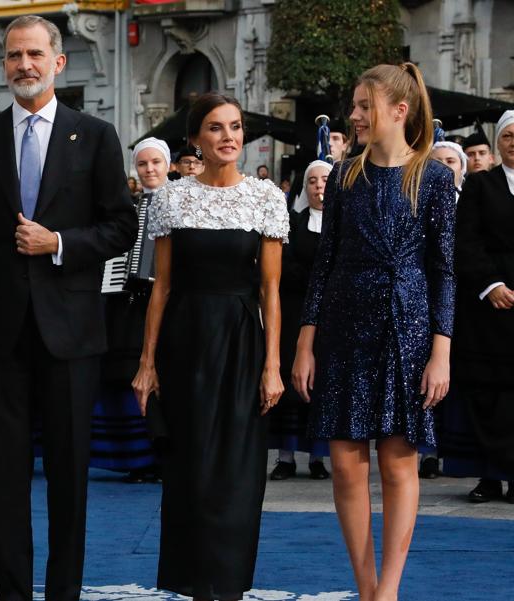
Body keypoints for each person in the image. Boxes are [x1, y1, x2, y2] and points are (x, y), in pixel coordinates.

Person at [0, 15, 137, 601]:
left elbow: (122, 226)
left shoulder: (96, 135)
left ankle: (62, 595)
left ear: (59, 62)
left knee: (68, 479)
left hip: (72, 336)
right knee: (5, 482)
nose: (23, 65)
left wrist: (58, 243)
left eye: (33, 54)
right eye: (12, 56)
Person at [292, 63, 455, 601]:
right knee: (343, 465)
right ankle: (365, 590)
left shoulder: (432, 177)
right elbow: (324, 263)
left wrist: (441, 352)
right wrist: (305, 343)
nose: (355, 116)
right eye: (356, 106)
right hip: (342, 326)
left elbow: (444, 269)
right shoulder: (344, 176)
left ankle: (388, 591)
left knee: (398, 461)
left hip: (406, 327)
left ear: (399, 111)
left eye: (365, 106)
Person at [132, 93, 287, 601]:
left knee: (239, 473)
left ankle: (230, 587)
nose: (229, 137)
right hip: (185, 344)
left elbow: (271, 291)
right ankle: (196, 585)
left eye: (236, 127)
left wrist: (273, 366)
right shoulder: (172, 197)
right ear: (196, 139)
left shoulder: (265, 198)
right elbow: (162, 286)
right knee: (190, 469)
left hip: (243, 341)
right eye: (216, 128)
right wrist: (147, 363)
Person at [440, 109, 514, 503]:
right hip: (489, 306)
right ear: (498, 144)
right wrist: (492, 284)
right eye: (507, 137)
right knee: (486, 393)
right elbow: (465, 240)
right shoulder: (480, 185)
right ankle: (488, 476)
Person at [92, 137, 171, 483]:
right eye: (143, 164)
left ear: (167, 165)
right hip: (129, 305)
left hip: (168, 304)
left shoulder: (181, 202)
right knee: (123, 376)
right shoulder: (129, 206)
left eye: (155, 162)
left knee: (162, 379)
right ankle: (134, 455)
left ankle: (163, 454)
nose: (150, 169)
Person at [269, 159, 332, 481]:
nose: (319, 186)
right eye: (313, 181)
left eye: (325, 180)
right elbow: (286, 266)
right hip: (296, 312)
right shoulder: (293, 222)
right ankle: (286, 456)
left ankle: (318, 458)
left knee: (321, 385)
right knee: (291, 383)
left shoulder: (345, 222)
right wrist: (320, 279)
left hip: (332, 317)